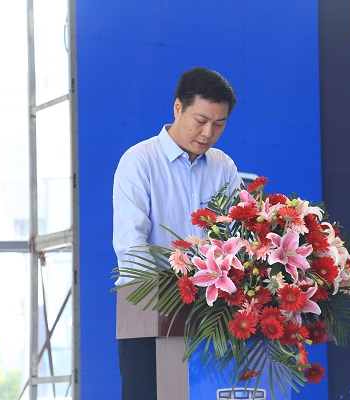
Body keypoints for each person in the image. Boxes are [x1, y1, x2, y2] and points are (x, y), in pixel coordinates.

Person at [112, 67, 242, 400]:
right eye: (201, 120)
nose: (208, 133)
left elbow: (237, 238)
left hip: (212, 317)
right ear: (177, 108)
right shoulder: (139, 161)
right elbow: (131, 247)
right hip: (148, 314)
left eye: (219, 124)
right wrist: (172, 298)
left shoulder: (223, 166)